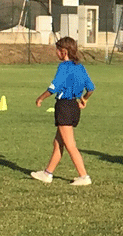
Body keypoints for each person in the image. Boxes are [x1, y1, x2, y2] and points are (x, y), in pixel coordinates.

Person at [30, 37, 95, 186]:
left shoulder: (64, 67)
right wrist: (84, 99)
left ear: (63, 52)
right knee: (58, 142)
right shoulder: (80, 67)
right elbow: (91, 88)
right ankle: (47, 174)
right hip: (73, 107)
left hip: (64, 107)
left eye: (57, 50)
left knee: (70, 144)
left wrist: (40, 98)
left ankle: (84, 176)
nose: (56, 53)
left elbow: (53, 88)